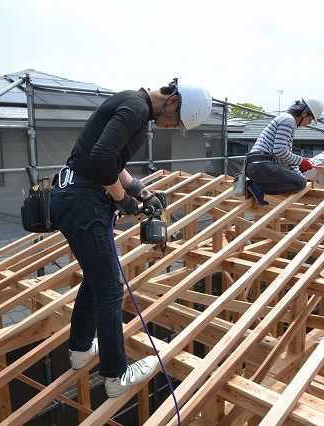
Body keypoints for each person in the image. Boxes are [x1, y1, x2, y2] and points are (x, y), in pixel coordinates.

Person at [50, 78, 212, 398]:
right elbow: (101, 159)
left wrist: (142, 191)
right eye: (173, 120)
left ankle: (81, 350)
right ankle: (116, 375)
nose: (168, 126)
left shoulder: (130, 103)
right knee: (110, 287)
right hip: (84, 203)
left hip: (70, 198)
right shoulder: (136, 109)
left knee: (97, 278)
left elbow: (114, 161)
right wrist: (123, 200)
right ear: (173, 100)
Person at [245, 97, 324, 205]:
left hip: (257, 166)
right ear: (304, 113)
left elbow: (286, 158)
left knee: (300, 182)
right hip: (262, 165)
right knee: (300, 183)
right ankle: (258, 187)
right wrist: (301, 161)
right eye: (310, 119)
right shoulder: (288, 120)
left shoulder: (286, 119)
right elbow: (279, 151)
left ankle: (257, 186)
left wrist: (299, 175)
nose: (309, 123)